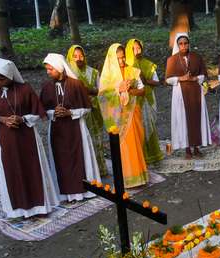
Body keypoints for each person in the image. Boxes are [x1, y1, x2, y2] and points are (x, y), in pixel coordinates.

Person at [0, 59, 58, 219]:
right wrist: (2, 119)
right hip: (6, 139)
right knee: (12, 172)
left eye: (2, 79)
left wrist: (22, 119)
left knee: (32, 169)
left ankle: (39, 208)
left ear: (11, 76)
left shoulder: (25, 89)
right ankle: (18, 210)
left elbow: (37, 114)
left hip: (27, 137)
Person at [40, 53, 101, 203]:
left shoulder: (76, 84)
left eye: (50, 69)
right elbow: (42, 110)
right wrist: (53, 112)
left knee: (79, 157)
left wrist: (69, 112)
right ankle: (64, 194)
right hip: (57, 129)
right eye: (47, 69)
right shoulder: (46, 87)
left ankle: (82, 191)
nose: (48, 72)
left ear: (60, 68)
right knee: (60, 160)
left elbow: (87, 108)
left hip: (75, 128)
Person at [98, 44, 149, 188]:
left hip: (132, 112)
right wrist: (118, 90)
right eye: (118, 58)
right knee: (124, 147)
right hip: (117, 117)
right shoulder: (108, 75)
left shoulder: (132, 71)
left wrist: (129, 90)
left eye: (123, 57)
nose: (121, 61)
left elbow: (142, 91)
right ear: (112, 58)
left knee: (136, 142)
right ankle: (126, 179)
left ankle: (140, 176)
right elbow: (102, 96)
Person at [165, 33, 211, 160]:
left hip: (195, 91)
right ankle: (187, 149)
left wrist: (195, 78)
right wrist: (181, 78)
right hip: (180, 92)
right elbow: (168, 79)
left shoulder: (197, 57)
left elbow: (204, 75)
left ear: (189, 44)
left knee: (196, 119)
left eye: (186, 43)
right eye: (181, 44)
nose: (184, 46)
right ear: (177, 45)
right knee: (183, 119)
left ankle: (196, 148)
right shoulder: (172, 60)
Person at [66, 45, 108, 176]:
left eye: (81, 56)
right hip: (76, 111)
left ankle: (99, 169)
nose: (78, 59)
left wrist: (89, 91)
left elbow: (102, 91)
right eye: (75, 56)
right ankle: (84, 171)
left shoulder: (93, 72)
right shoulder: (68, 74)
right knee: (81, 140)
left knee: (96, 138)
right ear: (69, 58)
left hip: (93, 110)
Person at [125, 39, 163, 164]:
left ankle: (152, 155)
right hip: (133, 101)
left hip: (147, 99)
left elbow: (157, 82)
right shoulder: (126, 66)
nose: (136, 51)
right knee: (136, 128)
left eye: (139, 48)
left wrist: (145, 80)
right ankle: (138, 157)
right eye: (134, 49)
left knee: (148, 126)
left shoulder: (148, 64)